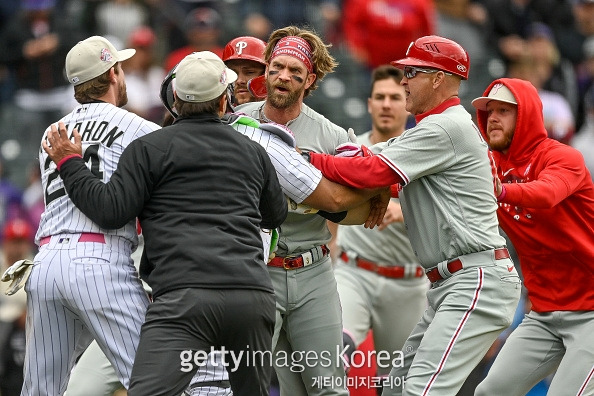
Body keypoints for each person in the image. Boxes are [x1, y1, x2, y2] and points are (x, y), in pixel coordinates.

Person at [43, 51, 288, 396]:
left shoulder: (148, 148)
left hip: (184, 298)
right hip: (250, 297)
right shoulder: (253, 151)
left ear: (174, 98)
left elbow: (110, 210)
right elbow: (275, 216)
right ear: (223, 103)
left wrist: (70, 162)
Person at [302, 35, 522, 395]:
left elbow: (370, 171)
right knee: (396, 389)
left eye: (413, 72)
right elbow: (375, 173)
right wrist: (374, 188)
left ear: (438, 78)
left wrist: (308, 159)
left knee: (422, 390)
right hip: (452, 281)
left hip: (475, 279)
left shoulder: (445, 127)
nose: (403, 80)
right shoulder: (434, 127)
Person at [18, 35, 160, 396]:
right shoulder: (140, 128)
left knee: (40, 390)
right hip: (99, 258)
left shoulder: (52, 133)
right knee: (153, 377)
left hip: (45, 262)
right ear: (113, 73)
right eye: (121, 67)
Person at [235, 25, 364, 396]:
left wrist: (326, 202)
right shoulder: (237, 122)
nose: (283, 77)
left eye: (295, 71)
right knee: (248, 384)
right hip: (256, 270)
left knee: (327, 387)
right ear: (266, 70)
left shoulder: (333, 136)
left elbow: (359, 200)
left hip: (313, 271)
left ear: (310, 80)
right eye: (276, 67)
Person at [471, 78, 594, 395]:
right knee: (489, 391)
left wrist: (503, 191)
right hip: (544, 314)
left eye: (504, 110)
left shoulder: (563, 157)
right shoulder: (490, 165)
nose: (493, 117)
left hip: (591, 312)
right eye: (489, 111)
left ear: (526, 115)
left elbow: (548, 193)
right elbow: (445, 190)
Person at [329, 65, 428, 384]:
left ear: (407, 103)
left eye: (395, 97)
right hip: (353, 272)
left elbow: (447, 220)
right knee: (333, 352)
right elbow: (330, 207)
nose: (387, 104)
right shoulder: (351, 150)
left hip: (408, 282)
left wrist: (405, 211)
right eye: (380, 97)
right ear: (369, 103)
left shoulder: (425, 155)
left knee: (398, 383)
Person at [0, 219, 35, 396]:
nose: (17, 247)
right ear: (5, 243)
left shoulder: (35, 266)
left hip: (24, 325)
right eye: (14, 241)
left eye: (21, 242)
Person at [222, 35, 267, 105]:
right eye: (233, 73)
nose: (240, 81)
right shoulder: (217, 114)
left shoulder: (282, 113)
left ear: (266, 73)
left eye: (249, 72)